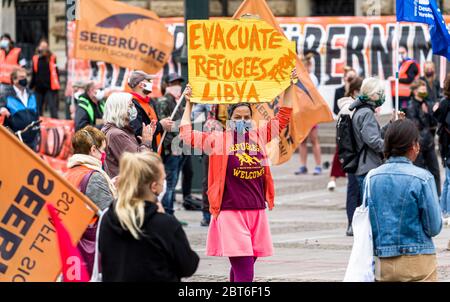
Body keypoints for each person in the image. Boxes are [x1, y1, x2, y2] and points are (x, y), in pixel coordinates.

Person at [179, 69, 297, 282]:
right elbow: (186, 135)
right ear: (229, 118)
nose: (242, 120)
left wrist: (289, 85)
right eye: (237, 117)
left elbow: (284, 116)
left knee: (245, 264)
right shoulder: (218, 139)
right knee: (244, 269)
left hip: (256, 211)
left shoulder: (259, 135)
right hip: (230, 212)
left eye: (246, 117)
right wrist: (189, 104)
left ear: (252, 119)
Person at [99, 151, 199, 282]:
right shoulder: (165, 224)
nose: (164, 182)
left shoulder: (108, 218)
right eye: (163, 179)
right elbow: (188, 265)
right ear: (154, 187)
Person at [366, 119, 442, 282]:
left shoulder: (371, 177)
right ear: (413, 146)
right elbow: (434, 227)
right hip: (417, 260)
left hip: (382, 261)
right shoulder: (422, 178)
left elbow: (368, 222)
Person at [64, 126, 116, 276]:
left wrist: (110, 185)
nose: (104, 154)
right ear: (93, 150)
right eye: (102, 150)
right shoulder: (94, 176)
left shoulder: (72, 171)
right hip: (91, 247)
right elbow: (110, 214)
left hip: (75, 243)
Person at [349, 77, 398, 194]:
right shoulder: (367, 113)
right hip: (368, 166)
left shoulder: (360, 110)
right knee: (372, 207)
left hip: (364, 166)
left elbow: (373, 134)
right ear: (371, 95)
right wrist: (392, 147)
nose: (382, 96)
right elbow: (373, 141)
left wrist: (390, 124)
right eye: (379, 93)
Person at [156, 73, 188, 218]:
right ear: (166, 85)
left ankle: (169, 212)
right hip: (171, 150)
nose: (177, 85)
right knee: (169, 183)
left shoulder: (177, 102)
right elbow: (166, 127)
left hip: (179, 147)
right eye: (173, 82)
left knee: (173, 183)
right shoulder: (164, 101)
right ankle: (167, 213)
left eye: (178, 82)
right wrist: (172, 147)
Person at [102, 92, 155, 178]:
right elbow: (139, 164)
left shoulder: (120, 131)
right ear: (119, 109)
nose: (134, 109)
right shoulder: (116, 135)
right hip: (127, 187)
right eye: (130, 106)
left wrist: (145, 141)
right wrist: (146, 143)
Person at [335, 77, 363, 236]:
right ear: (355, 92)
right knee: (354, 189)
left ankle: (355, 223)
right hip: (354, 155)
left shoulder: (354, 107)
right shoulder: (348, 108)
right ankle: (351, 223)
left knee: (357, 189)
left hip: (354, 154)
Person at [406, 79, 440, 195]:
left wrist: (429, 113)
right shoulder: (411, 105)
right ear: (415, 91)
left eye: (425, 88)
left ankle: (437, 196)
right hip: (418, 144)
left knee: (435, 171)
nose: (425, 91)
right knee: (419, 172)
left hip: (429, 142)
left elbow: (434, 122)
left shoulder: (427, 103)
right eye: (422, 89)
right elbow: (416, 125)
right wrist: (424, 115)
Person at [127, 70, 173, 152]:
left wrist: (165, 124)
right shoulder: (131, 104)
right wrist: (161, 125)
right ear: (141, 85)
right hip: (144, 155)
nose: (151, 83)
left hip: (156, 151)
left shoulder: (150, 102)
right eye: (149, 81)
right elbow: (138, 131)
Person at [295, 54, 322, 175]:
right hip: (301, 113)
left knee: (314, 139)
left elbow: (309, 91)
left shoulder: (311, 77)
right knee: (302, 141)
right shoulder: (298, 77)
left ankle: (318, 165)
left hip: (310, 113)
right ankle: (303, 165)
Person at [0, 67, 39, 150]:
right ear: (14, 80)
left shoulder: (31, 94)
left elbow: (37, 114)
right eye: (21, 77)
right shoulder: (6, 94)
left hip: (32, 139)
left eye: (25, 77)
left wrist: (38, 133)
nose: (25, 79)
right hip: (15, 138)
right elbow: (1, 106)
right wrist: (2, 109)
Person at [433, 74, 450, 224]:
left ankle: (444, 210)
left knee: (447, 180)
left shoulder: (443, 102)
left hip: (446, 145)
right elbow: (438, 118)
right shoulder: (445, 103)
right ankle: (447, 211)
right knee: (449, 180)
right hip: (447, 145)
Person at [30, 39, 60, 118]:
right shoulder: (35, 58)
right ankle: (39, 126)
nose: (43, 48)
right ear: (39, 47)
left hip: (50, 87)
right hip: (39, 88)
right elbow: (34, 73)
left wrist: (57, 85)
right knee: (38, 108)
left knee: (52, 108)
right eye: (42, 46)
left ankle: (55, 125)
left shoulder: (52, 57)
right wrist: (30, 86)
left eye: (45, 47)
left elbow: (56, 72)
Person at [391, 46, 420, 111]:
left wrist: (396, 79)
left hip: (405, 95)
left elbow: (410, 79)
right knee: (397, 113)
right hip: (397, 94)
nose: (400, 55)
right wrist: (394, 78)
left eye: (402, 52)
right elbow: (398, 76)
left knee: (404, 112)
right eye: (399, 53)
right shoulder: (399, 65)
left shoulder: (410, 64)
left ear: (406, 53)